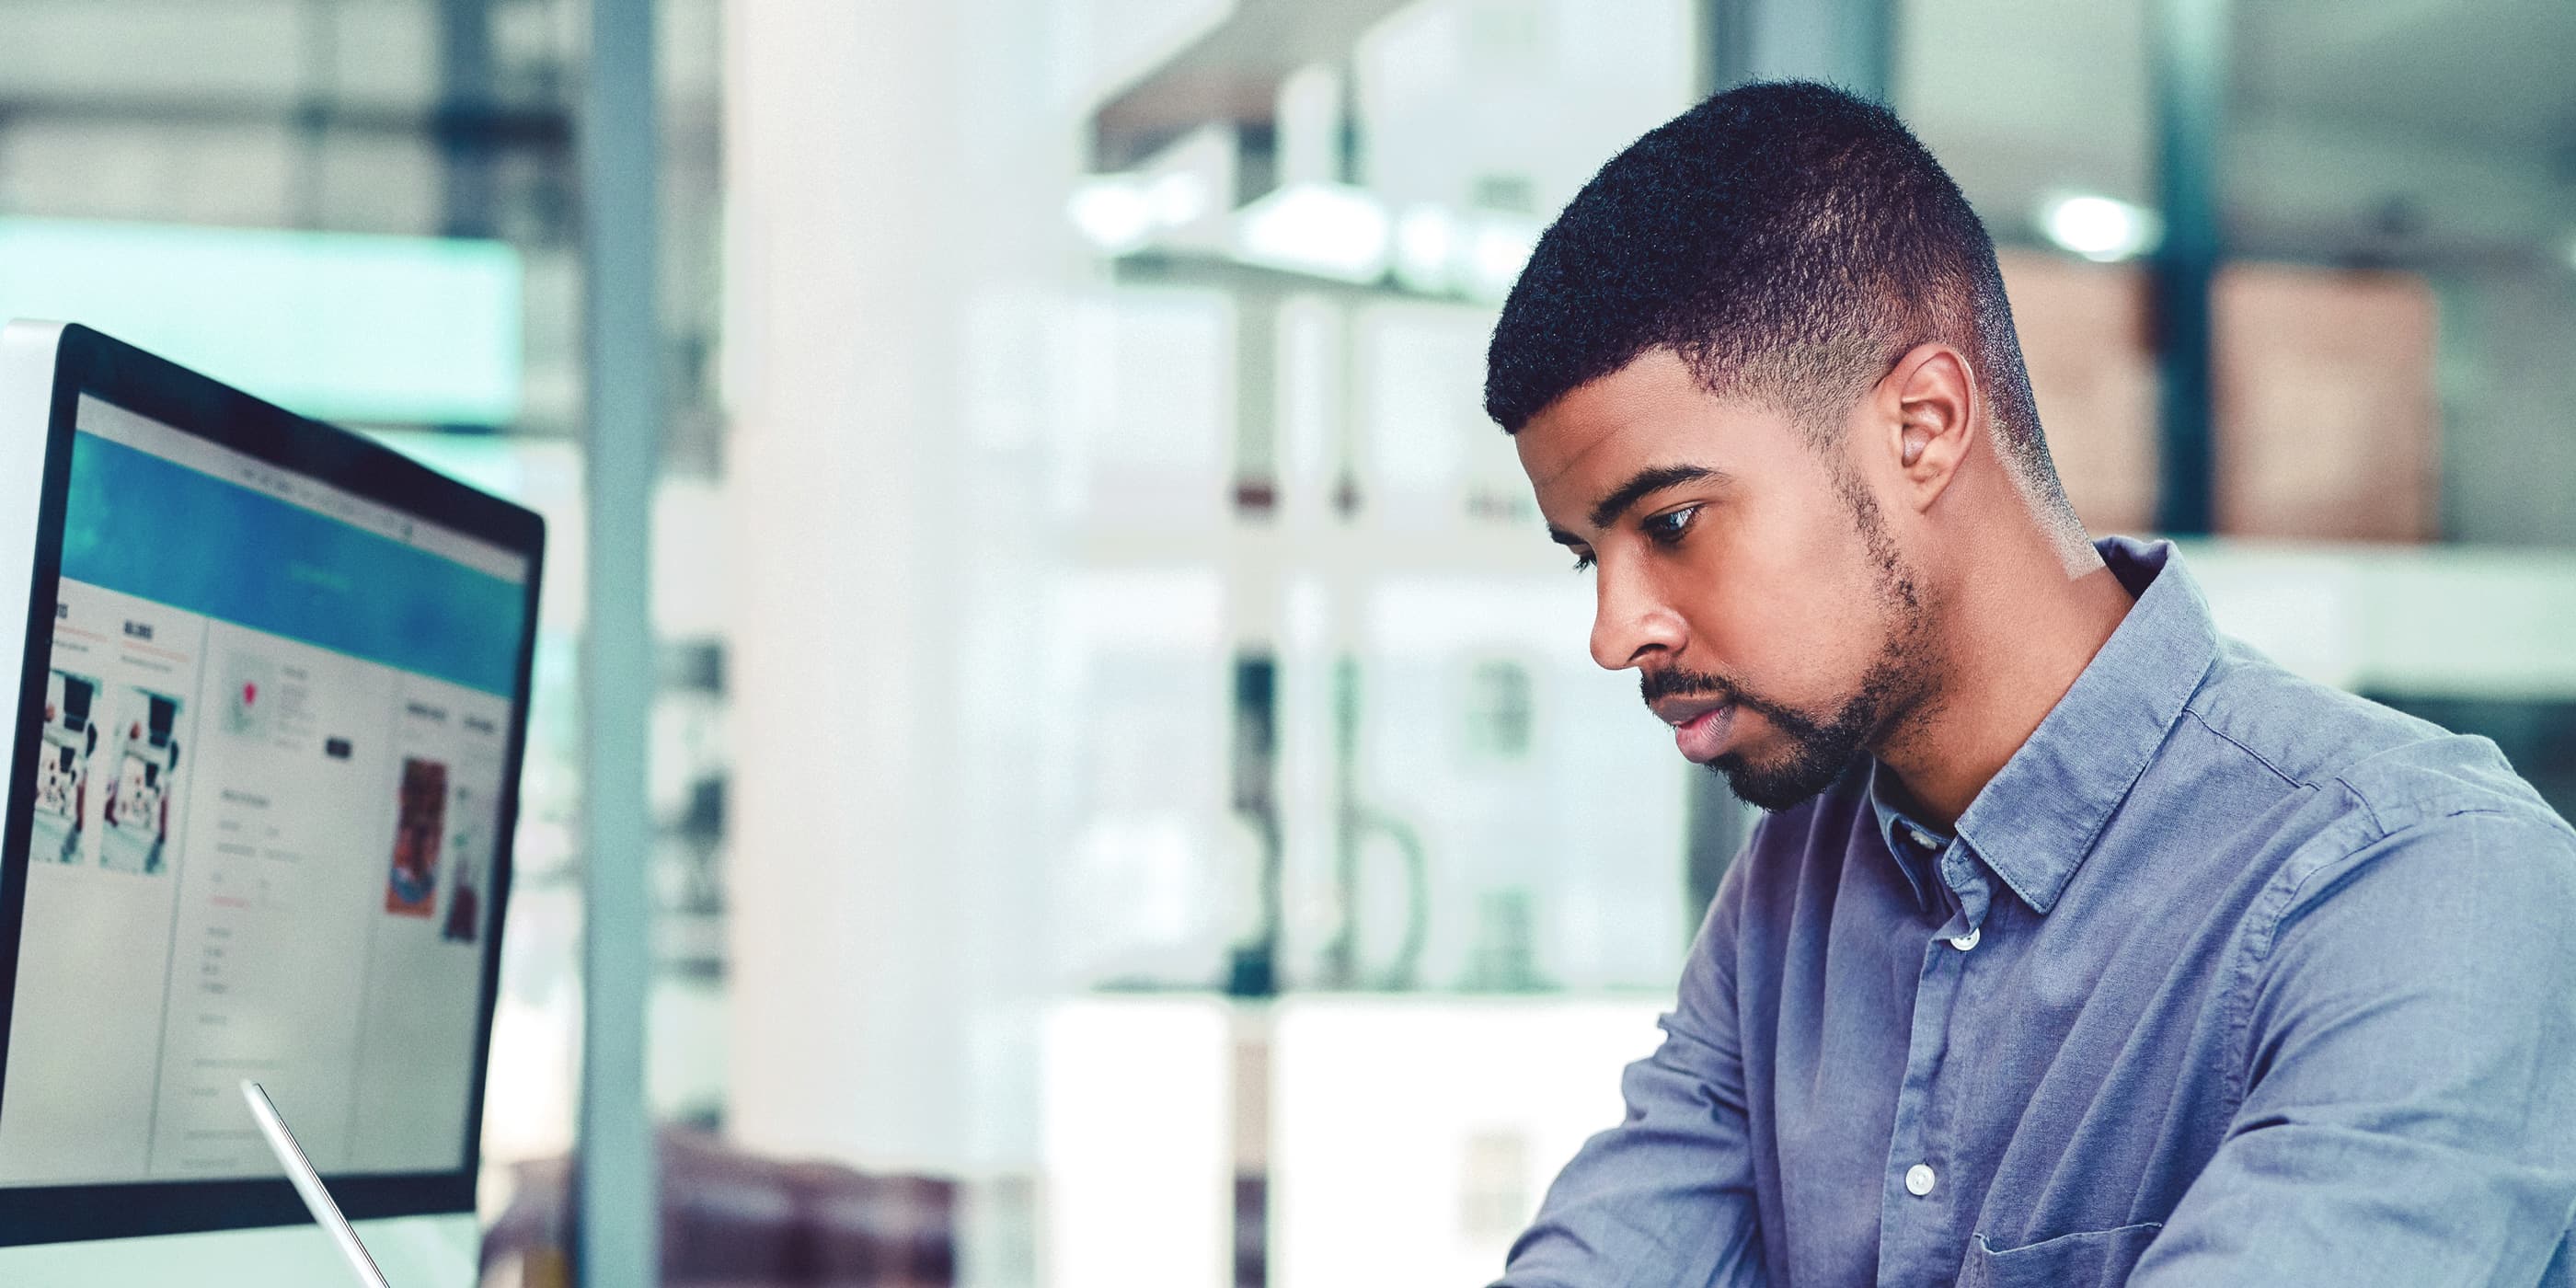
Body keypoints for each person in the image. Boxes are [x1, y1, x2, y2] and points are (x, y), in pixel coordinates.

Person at [1484, 81, 2576, 1287]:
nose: (1612, 629)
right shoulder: (1790, 900)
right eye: (1592, 555)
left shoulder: (2420, 880)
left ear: (1923, 427)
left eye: (1674, 520)